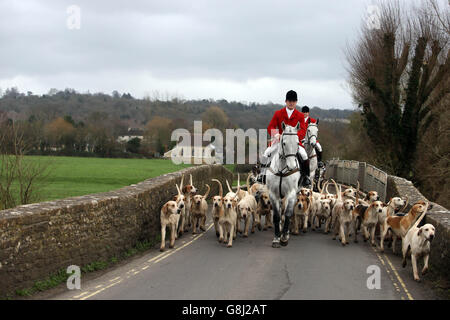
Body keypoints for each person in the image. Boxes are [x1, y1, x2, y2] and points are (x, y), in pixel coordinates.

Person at [258, 90, 311, 187]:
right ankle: (262, 175)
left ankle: (306, 177)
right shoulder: (278, 113)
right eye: (289, 101)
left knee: (304, 155)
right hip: (280, 141)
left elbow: (303, 130)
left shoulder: (300, 115)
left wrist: (294, 137)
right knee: (267, 152)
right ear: (286, 101)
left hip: (294, 143)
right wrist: (276, 135)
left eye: (293, 101)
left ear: (296, 102)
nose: (291, 103)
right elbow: (271, 127)